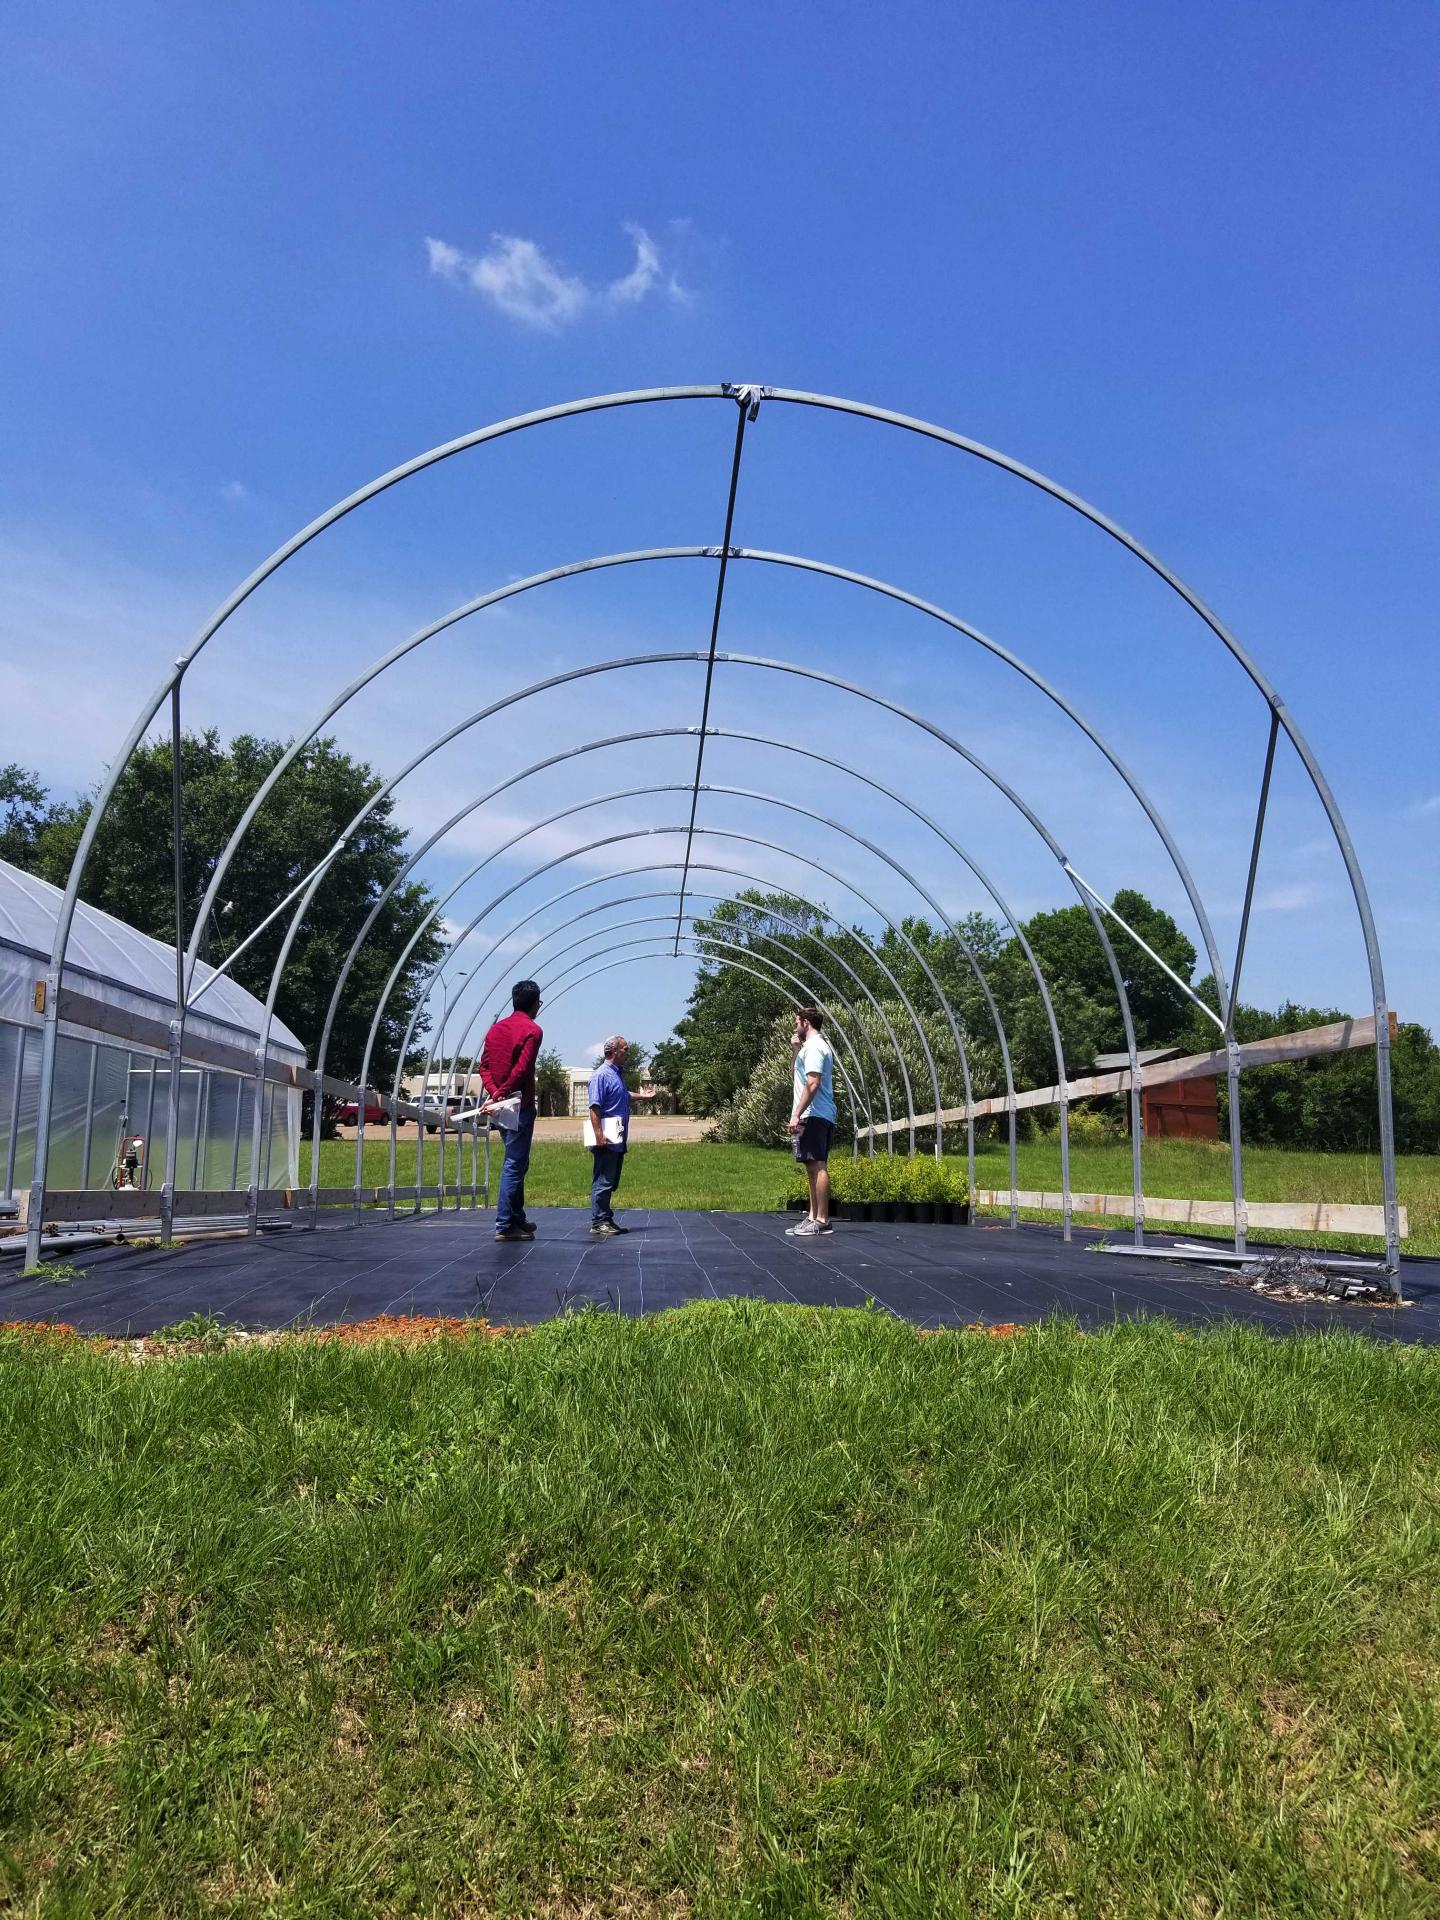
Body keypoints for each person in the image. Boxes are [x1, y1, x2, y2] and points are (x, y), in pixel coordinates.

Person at [479, 980, 543, 1243]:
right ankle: (505, 1225)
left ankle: (516, 1217)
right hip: (519, 1105)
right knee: (514, 1164)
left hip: (500, 1106)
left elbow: (484, 1066)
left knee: (518, 1162)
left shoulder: (495, 1030)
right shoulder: (532, 1030)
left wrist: (495, 1092)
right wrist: (504, 1092)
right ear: (534, 1004)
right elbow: (522, 1069)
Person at [786, 1005, 836, 1237]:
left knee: (817, 1164)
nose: (795, 1026)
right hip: (812, 1113)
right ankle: (812, 1216)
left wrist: (797, 1113)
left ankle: (822, 1220)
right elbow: (797, 1075)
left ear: (806, 1023)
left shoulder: (816, 1047)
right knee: (810, 1165)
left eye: (797, 1022)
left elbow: (813, 1083)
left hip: (815, 1114)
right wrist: (796, 1049)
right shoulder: (807, 1048)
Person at [587, 1034, 632, 1236]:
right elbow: (594, 1107)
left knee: (611, 1180)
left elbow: (624, 1095)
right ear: (614, 1051)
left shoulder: (617, 1074)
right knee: (603, 1179)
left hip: (618, 1133)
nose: (627, 1052)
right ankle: (599, 1222)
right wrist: (599, 1134)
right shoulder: (601, 1075)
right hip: (607, 1133)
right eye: (625, 1049)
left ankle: (606, 1217)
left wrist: (643, 1097)